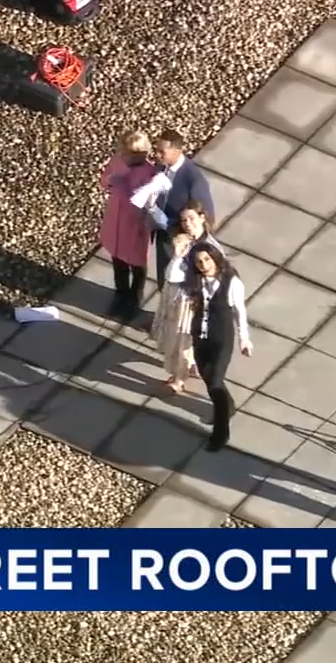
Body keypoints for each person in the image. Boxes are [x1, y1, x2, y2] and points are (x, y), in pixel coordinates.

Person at [185, 242, 253, 452]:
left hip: (221, 339)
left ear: (215, 258)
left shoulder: (231, 282)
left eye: (207, 259)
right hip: (200, 337)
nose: (204, 265)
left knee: (215, 384)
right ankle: (228, 406)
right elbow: (172, 276)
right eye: (199, 262)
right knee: (209, 380)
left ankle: (221, 434)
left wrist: (244, 338)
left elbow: (239, 311)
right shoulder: (195, 281)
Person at [150, 200, 222, 393]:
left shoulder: (208, 248)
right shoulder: (187, 242)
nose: (188, 224)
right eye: (184, 220)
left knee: (182, 339)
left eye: (191, 218)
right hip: (180, 296)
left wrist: (179, 256)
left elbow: (177, 275)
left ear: (202, 217)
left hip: (192, 300)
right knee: (188, 339)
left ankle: (179, 378)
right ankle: (192, 366)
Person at [149, 129, 215, 292]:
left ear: (177, 151)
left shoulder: (194, 181)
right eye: (156, 150)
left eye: (161, 151)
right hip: (164, 235)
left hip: (181, 239)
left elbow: (208, 217)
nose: (156, 155)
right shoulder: (161, 168)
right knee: (164, 280)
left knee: (178, 285)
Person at [99, 130, 154, 320]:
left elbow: (140, 204)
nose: (123, 157)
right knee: (118, 260)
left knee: (137, 265)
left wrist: (121, 186)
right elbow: (105, 180)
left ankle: (134, 300)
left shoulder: (149, 173)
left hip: (135, 225)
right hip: (116, 220)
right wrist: (110, 180)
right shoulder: (119, 162)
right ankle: (120, 295)